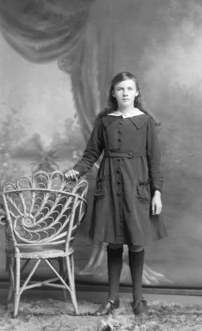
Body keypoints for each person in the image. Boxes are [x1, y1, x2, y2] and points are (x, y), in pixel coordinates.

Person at [65, 72, 167, 316]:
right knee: (113, 241)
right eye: (120, 89)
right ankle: (112, 299)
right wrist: (76, 172)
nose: (125, 93)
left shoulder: (146, 122)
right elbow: (91, 154)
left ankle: (138, 299)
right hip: (109, 186)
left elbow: (155, 161)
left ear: (136, 93)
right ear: (113, 92)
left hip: (137, 186)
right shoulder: (104, 121)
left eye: (129, 89)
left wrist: (157, 193)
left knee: (136, 242)